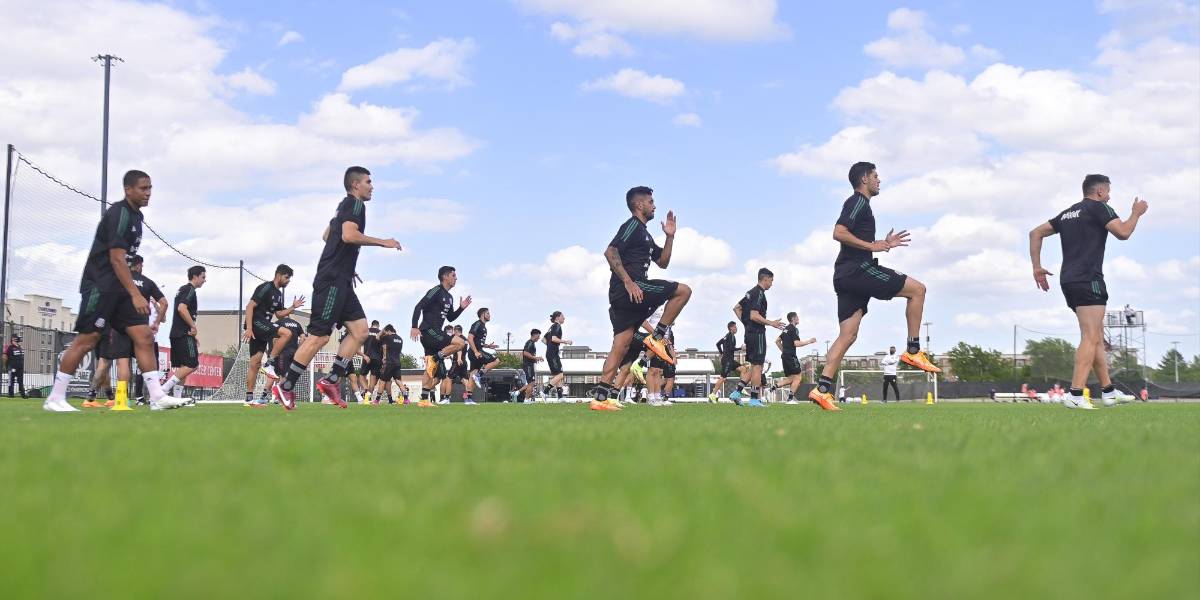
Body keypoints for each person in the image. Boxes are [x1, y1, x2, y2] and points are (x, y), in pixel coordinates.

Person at [41, 170, 179, 411]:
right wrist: (135, 294)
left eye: (150, 188)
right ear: (128, 189)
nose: (148, 193)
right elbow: (116, 258)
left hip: (119, 288)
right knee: (88, 339)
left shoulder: (137, 217)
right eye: (143, 188)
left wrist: (130, 292)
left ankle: (157, 397)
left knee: (144, 336)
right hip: (101, 286)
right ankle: (55, 397)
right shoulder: (119, 214)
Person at [809, 162, 940, 412]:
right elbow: (839, 232)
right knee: (918, 290)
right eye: (875, 176)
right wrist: (872, 246)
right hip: (858, 271)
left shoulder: (862, 205)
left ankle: (822, 390)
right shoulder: (857, 202)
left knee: (848, 335)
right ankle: (913, 350)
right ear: (864, 179)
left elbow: (854, 240)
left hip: (845, 275)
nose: (879, 180)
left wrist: (882, 243)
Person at [274, 166, 403, 410]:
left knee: (361, 331)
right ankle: (286, 385)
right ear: (355, 185)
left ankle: (332, 379)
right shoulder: (355, 205)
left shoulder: (342, 207)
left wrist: (345, 264)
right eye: (368, 182)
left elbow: (328, 235)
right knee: (319, 337)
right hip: (332, 281)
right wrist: (383, 242)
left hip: (341, 279)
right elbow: (348, 235)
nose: (372, 186)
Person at [1030, 174, 1146, 409]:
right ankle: (1075, 394)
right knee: (1090, 337)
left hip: (1069, 280)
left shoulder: (1068, 213)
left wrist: (1037, 267)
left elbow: (1035, 233)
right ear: (1100, 191)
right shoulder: (1099, 208)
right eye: (1108, 192)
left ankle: (1109, 392)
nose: (1109, 196)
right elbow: (1123, 232)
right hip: (1088, 279)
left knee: (1097, 337)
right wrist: (1136, 213)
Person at [589, 186, 691, 411]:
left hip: (625, 295)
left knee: (621, 346)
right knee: (683, 291)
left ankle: (601, 397)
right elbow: (610, 251)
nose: (655, 206)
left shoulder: (645, 234)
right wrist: (628, 282)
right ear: (639, 205)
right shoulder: (632, 226)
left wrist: (670, 237)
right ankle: (658, 336)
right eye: (651, 202)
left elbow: (663, 262)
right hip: (630, 289)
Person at [243, 264, 305, 405]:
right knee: (287, 333)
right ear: (279, 275)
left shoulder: (278, 294)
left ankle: (249, 398)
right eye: (286, 277)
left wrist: (293, 307)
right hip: (256, 323)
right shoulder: (266, 287)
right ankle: (270, 362)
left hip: (263, 326)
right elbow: (249, 306)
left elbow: (279, 314)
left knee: (255, 363)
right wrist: (249, 328)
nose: (288, 281)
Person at [410, 266, 471, 407]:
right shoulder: (436, 290)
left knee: (430, 368)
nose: (456, 278)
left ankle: (424, 400)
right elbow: (418, 306)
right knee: (461, 343)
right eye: (453, 275)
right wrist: (414, 326)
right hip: (428, 330)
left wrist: (461, 308)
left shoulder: (449, 297)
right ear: (445, 276)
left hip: (435, 333)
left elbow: (450, 318)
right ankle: (436, 357)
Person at [733, 268, 785, 408]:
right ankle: (754, 399)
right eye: (771, 281)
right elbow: (754, 315)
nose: (772, 284)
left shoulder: (750, 292)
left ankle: (737, 393)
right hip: (757, 333)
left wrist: (746, 324)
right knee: (758, 366)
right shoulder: (759, 293)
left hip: (750, 333)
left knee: (754, 366)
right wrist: (771, 323)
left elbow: (737, 308)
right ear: (765, 279)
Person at [126, 255, 168, 406]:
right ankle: (140, 397)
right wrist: (155, 323)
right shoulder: (147, 283)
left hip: (135, 331)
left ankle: (148, 397)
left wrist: (155, 307)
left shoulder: (151, 300)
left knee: (137, 364)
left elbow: (164, 318)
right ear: (138, 266)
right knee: (141, 365)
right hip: (142, 332)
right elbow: (165, 304)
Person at [161, 265, 207, 403]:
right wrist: (193, 326)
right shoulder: (190, 289)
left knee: (183, 366)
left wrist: (194, 336)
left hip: (176, 333)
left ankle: (177, 398)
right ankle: (163, 390)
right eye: (203, 277)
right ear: (195, 276)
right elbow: (182, 308)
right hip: (183, 334)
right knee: (192, 364)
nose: (204, 280)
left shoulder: (181, 289)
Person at [775, 312, 817, 404]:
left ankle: (774, 387)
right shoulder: (794, 329)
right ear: (793, 319)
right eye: (797, 317)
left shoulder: (786, 329)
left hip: (785, 356)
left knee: (792, 378)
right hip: (791, 356)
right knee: (798, 377)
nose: (798, 319)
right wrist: (809, 341)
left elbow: (777, 341)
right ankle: (790, 399)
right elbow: (796, 343)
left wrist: (784, 351)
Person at [466, 308, 500, 404]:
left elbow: (478, 341)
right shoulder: (477, 324)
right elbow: (470, 338)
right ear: (482, 314)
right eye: (488, 313)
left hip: (476, 351)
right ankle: (479, 375)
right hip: (476, 352)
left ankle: (468, 399)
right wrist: (476, 352)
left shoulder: (483, 327)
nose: (489, 315)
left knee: (472, 375)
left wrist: (488, 346)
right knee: (496, 360)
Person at [711, 321, 748, 403]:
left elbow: (718, 344)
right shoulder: (730, 336)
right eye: (735, 327)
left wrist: (721, 353)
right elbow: (731, 348)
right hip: (727, 360)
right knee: (723, 377)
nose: (736, 328)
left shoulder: (728, 336)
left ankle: (740, 388)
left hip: (730, 360)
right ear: (731, 328)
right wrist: (740, 348)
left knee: (743, 369)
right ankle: (713, 394)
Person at [372, 325, 404, 405]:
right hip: (397, 363)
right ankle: (406, 399)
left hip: (389, 363)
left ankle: (377, 400)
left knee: (382, 380)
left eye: (386, 332)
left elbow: (381, 343)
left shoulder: (387, 337)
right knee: (397, 380)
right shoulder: (400, 339)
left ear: (388, 331)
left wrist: (384, 357)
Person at [543, 311, 572, 400]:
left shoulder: (551, 327)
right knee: (560, 375)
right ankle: (545, 392)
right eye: (562, 316)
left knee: (557, 375)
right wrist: (566, 341)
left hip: (551, 353)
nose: (564, 318)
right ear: (557, 318)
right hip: (553, 354)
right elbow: (554, 338)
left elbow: (544, 340)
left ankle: (560, 397)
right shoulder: (557, 326)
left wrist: (550, 346)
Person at [514, 329, 543, 403]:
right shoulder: (529, 343)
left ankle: (526, 398)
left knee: (531, 383)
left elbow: (529, 355)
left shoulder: (532, 343)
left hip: (530, 365)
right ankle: (526, 399)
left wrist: (535, 359)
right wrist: (536, 358)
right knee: (531, 383)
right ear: (534, 335)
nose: (539, 338)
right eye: (538, 336)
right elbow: (525, 353)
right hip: (528, 366)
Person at [360, 320, 382, 403]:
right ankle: (368, 396)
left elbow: (359, 343)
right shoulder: (381, 333)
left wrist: (363, 355)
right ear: (378, 326)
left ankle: (366, 391)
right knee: (373, 379)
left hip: (367, 357)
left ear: (371, 325)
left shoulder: (366, 331)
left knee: (361, 376)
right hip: (377, 359)